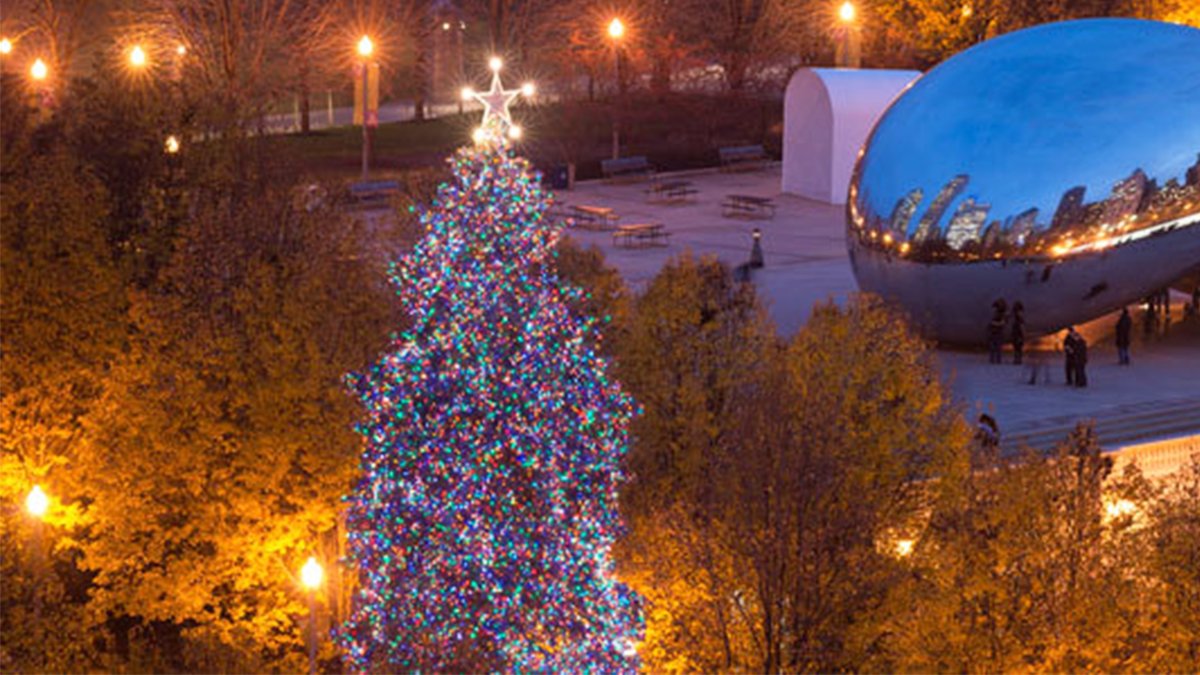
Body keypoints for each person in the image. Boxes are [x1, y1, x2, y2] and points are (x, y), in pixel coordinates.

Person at [988, 299, 1006, 364]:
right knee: (993, 347)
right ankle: (993, 360)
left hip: (998, 333)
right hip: (994, 333)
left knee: (997, 347)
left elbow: (1002, 323)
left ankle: (997, 360)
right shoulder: (997, 315)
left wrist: (993, 323)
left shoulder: (1000, 315)